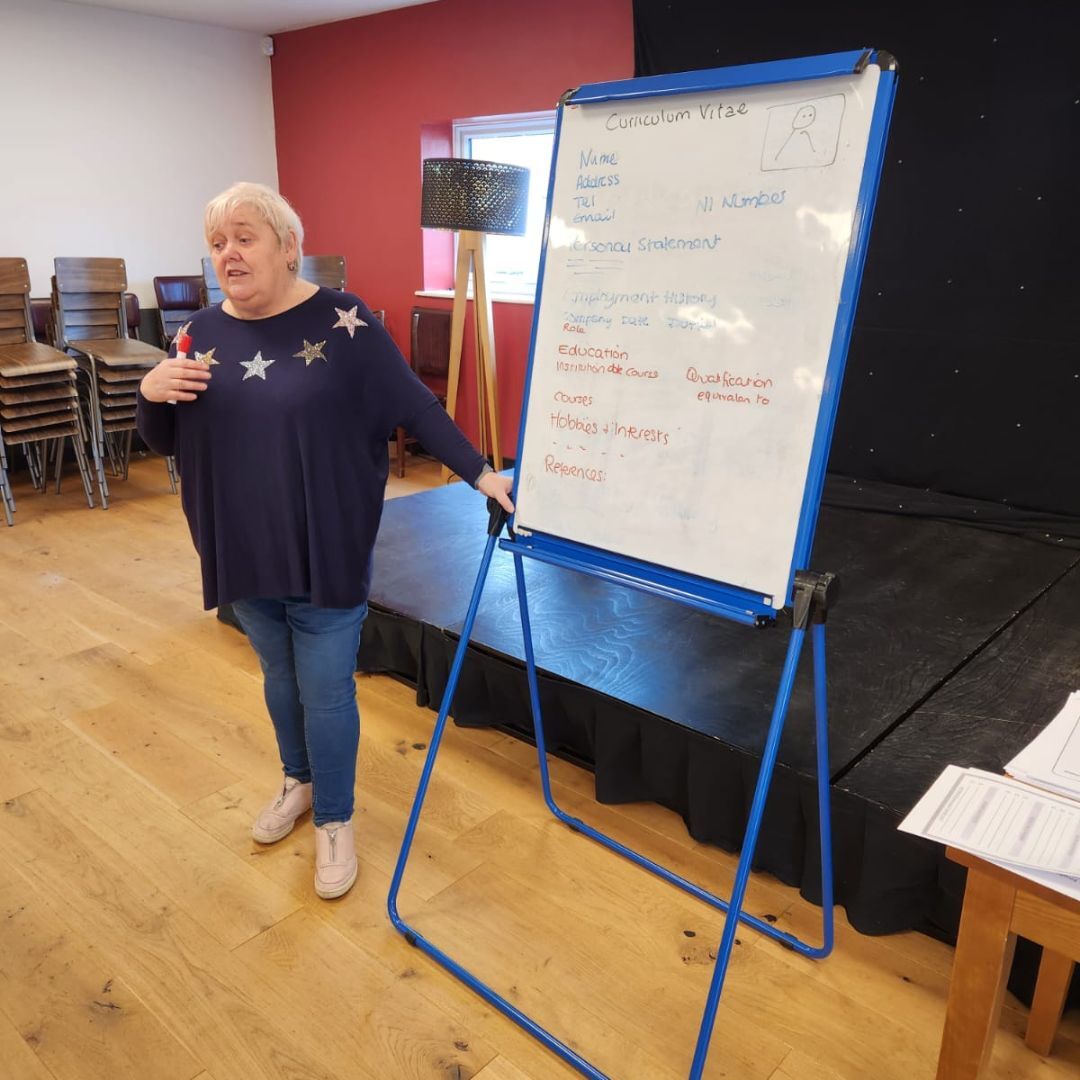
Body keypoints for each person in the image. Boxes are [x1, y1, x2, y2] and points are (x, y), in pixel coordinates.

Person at [137, 181, 513, 900]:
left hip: (325, 546)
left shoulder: (345, 320)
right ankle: (299, 782)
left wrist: (479, 471)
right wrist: (148, 393)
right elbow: (165, 439)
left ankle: (335, 819)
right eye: (217, 242)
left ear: (288, 247)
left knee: (327, 689)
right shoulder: (199, 332)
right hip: (240, 545)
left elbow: (414, 405)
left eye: (244, 237)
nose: (228, 254)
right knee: (279, 679)